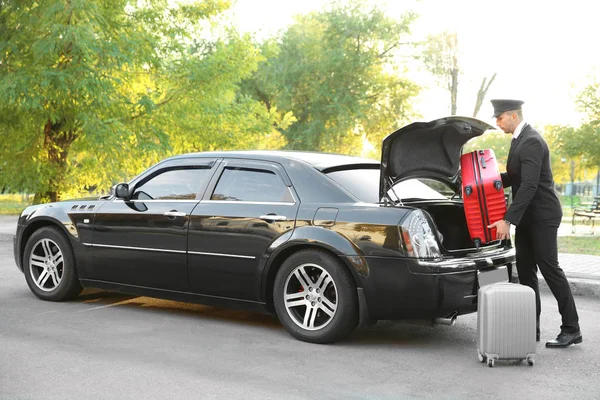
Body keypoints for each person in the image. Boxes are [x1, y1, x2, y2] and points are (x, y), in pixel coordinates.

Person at [487, 99, 582, 348]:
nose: (497, 123)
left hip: (542, 215)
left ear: (513, 116)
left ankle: (572, 329)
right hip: (528, 217)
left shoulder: (531, 140)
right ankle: (531, 329)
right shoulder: (519, 140)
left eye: (500, 118)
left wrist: (508, 219)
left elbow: (529, 185)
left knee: (550, 270)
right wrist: (488, 180)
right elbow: (515, 177)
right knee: (526, 271)